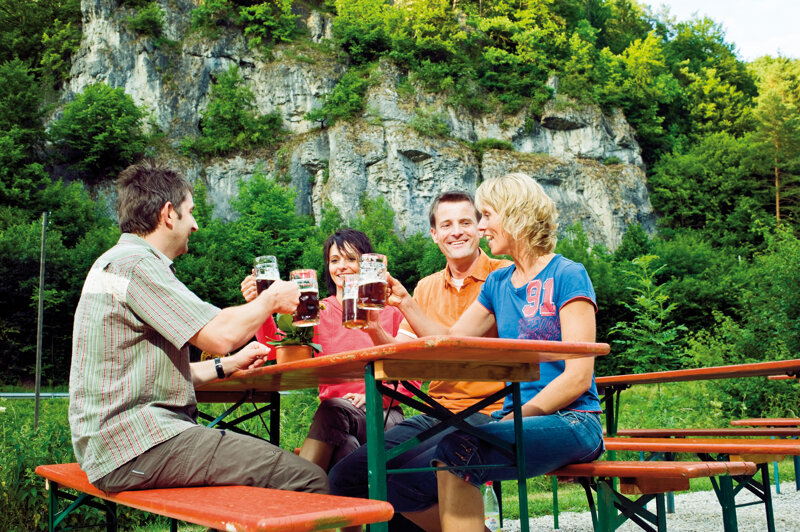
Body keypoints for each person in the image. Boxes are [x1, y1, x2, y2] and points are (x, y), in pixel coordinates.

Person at [68, 161, 328, 494]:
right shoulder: (136, 265)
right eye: (190, 212)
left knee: (253, 487)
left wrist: (226, 366)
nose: (195, 225)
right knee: (308, 479)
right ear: (167, 214)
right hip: (135, 445)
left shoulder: (116, 261)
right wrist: (271, 299)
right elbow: (221, 335)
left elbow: (150, 379)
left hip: (117, 444)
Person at [385, 173, 605, 531]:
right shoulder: (498, 283)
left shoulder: (568, 274)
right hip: (514, 418)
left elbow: (578, 377)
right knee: (401, 475)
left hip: (574, 420)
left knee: (458, 448)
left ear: (515, 214)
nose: (482, 226)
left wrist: (515, 416)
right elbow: (454, 341)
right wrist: (405, 303)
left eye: (487, 215)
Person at [327, 191, 511, 529]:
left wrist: (406, 304)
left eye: (465, 222)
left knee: (398, 481)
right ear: (434, 234)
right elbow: (401, 357)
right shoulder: (426, 287)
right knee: (345, 478)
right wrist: (371, 329)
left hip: (491, 412)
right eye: (447, 224)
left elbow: (459, 344)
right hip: (436, 413)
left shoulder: (505, 275)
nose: (456, 231)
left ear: (481, 228)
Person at [240, 229, 416, 472]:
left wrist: (374, 396)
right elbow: (274, 351)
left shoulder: (392, 312)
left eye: (351, 259)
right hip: (336, 422)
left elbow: (412, 381)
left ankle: (294, 491)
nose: (342, 267)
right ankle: (359, 505)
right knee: (345, 445)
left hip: (385, 415)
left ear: (366, 265)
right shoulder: (316, 311)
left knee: (333, 410)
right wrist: (258, 306)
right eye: (335, 261)